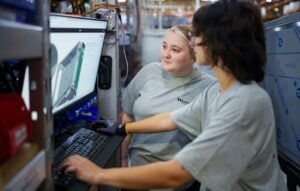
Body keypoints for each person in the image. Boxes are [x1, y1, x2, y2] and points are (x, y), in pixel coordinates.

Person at [62, 1, 287, 190]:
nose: (192, 41)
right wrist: (122, 129)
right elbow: (171, 118)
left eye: (198, 34)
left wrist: (97, 175)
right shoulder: (218, 91)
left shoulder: (244, 103)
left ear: (218, 42)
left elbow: (178, 174)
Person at [121, 25, 216, 191]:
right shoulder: (149, 72)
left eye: (175, 50)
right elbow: (127, 115)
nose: (165, 54)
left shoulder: (208, 87)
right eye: (164, 46)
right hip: (137, 173)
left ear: (194, 55)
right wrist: (122, 161)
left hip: (178, 179)